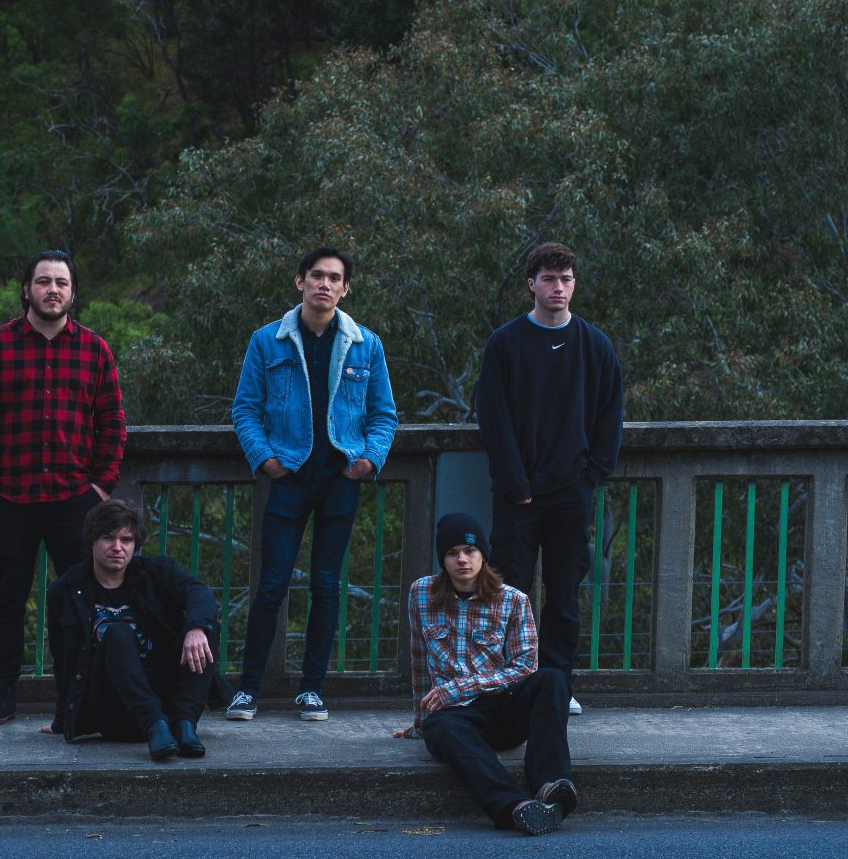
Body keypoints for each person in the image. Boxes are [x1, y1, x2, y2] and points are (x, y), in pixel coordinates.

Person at [0, 249, 126, 726]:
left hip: (75, 500)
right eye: (44, 281)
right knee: (8, 597)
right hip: (9, 498)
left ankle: (74, 695)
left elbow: (113, 423)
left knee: (78, 599)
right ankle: (2, 691)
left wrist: (100, 488)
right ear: (26, 290)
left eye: (62, 283)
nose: (53, 290)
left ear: (73, 293)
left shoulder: (94, 350)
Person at [227, 246, 398, 722]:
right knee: (271, 585)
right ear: (300, 281)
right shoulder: (268, 340)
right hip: (289, 476)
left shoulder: (366, 344)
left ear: (345, 289)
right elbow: (245, 408)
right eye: (317, 275)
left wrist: (368, 461)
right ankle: (248, 689)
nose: (325, 284)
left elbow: (384, 414)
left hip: (340, 478)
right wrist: (265, 459)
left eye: (334, 278)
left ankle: (311, 690)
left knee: (326, 585)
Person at [475, 242, 622, 715]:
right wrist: (514, 483)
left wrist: (590, 476)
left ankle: (558, 687)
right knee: (509, 594)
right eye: (549, 279)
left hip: (570, 493)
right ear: (531, 284)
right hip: (516, 494)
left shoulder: (595, 345)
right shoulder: (505, 343)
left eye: (566, 279)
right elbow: (492, 416)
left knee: (563, 596)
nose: (558, 287)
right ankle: (510, 685)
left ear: (574, 285)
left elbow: (610, 416)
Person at [394, 512, 576, 835]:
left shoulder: (513, 600)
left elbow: (524, 666)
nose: (462, 559)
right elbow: (419, 661)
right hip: (454, 718)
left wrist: (461, 687)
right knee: (441, 726)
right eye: (452, 553)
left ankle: (550, 786)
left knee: (552, 679)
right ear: (443, 559)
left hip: (501, 710)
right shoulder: (421, 594)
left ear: (482, 555)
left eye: (470, 551)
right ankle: (515, 807)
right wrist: (419, 723)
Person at [40, 499, 220, 761]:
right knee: (118, 633)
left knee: (205, 625)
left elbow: (199, 593)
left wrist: (196, 629)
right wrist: (62, 720)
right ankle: (155, 725)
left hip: (167, 705)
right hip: (114, 707)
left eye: (126, 540)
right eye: (108, 538)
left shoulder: (157, 573)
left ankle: (185, 725)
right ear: (92, 541)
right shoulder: (66, 589)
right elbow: (63, 660)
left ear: (135, 544)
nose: (117, 547)